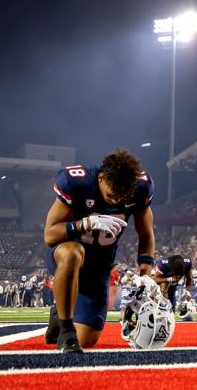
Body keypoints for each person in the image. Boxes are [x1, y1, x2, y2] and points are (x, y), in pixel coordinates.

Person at [43, 149, 156, 353]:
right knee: (73, 252)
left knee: (86, 339)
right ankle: (66, 329)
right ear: (101, 178)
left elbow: (146, 235)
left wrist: (145, 274)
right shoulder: (77, 183)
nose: (116, 202)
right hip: (65, 255)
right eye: (112, 195)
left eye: (123, 197)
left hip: (100, 266)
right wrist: (84, 223)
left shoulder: (141, 188)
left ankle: (59, 310)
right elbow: (50, 235)